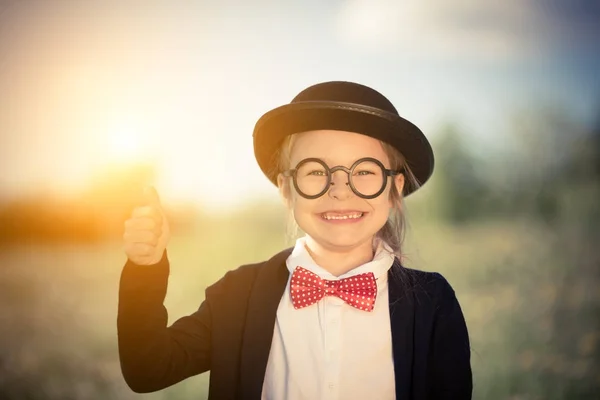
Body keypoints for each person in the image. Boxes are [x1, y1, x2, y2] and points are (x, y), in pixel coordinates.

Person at [117, 81, 473, 400]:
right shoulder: (238, 294)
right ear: (286, 188)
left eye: (364, 171)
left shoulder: (433, 304)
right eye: (316, 171)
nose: (340, 190)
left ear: (394, 189)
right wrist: (145, 267)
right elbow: (147, 370)